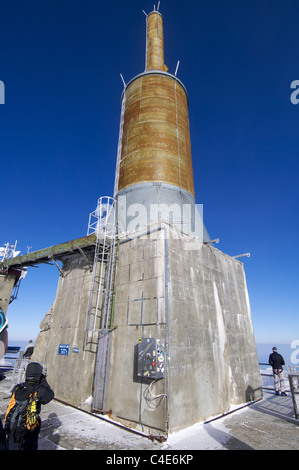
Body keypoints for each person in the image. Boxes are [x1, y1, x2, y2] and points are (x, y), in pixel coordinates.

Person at [4, 361, 54, 450]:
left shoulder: (18, 388)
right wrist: (43, 379)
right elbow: (49, 395)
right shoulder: (39, 390)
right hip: (28, 430)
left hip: (13, 429)